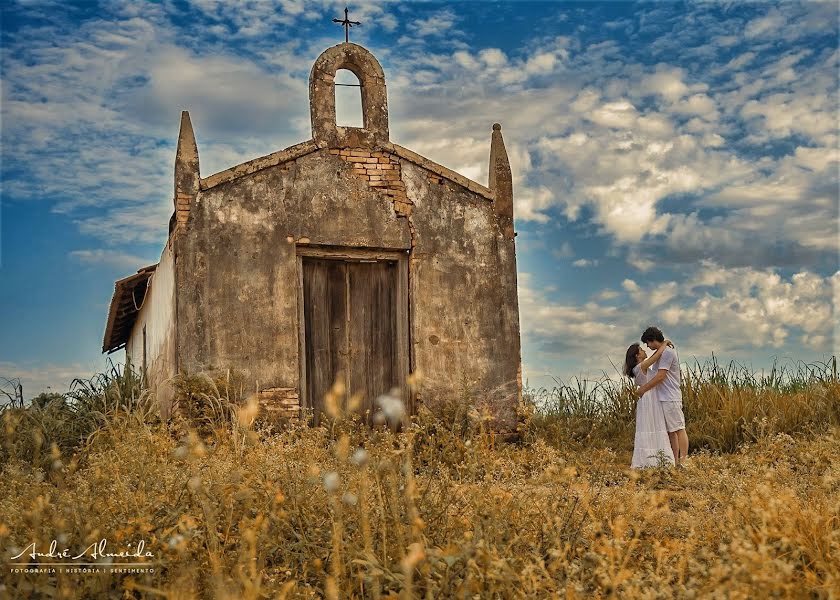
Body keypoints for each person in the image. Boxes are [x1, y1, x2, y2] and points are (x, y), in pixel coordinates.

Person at [637, 326, 689, 466]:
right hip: (663, 398)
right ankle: (675, 462)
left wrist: (643, 389)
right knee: (671, 432)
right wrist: (665, 342)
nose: (647, 346)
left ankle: (684, 462)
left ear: (653, 340)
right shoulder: (662, 352)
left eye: (648, 343)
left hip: (671, 397)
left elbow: (660, 376)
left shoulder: (667, 353)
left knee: (678, 428)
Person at [624, 340, 675, 468]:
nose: (644, 350)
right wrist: (664, 344)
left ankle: (657, 461)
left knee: (655, 427)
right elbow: (655, 357)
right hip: (649, 400)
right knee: (650, 427)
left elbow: (654, 358)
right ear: (637, 356)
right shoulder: (639, 367)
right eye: (641, 350)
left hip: (651, 398)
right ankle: (649, 461)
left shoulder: (642, 367)